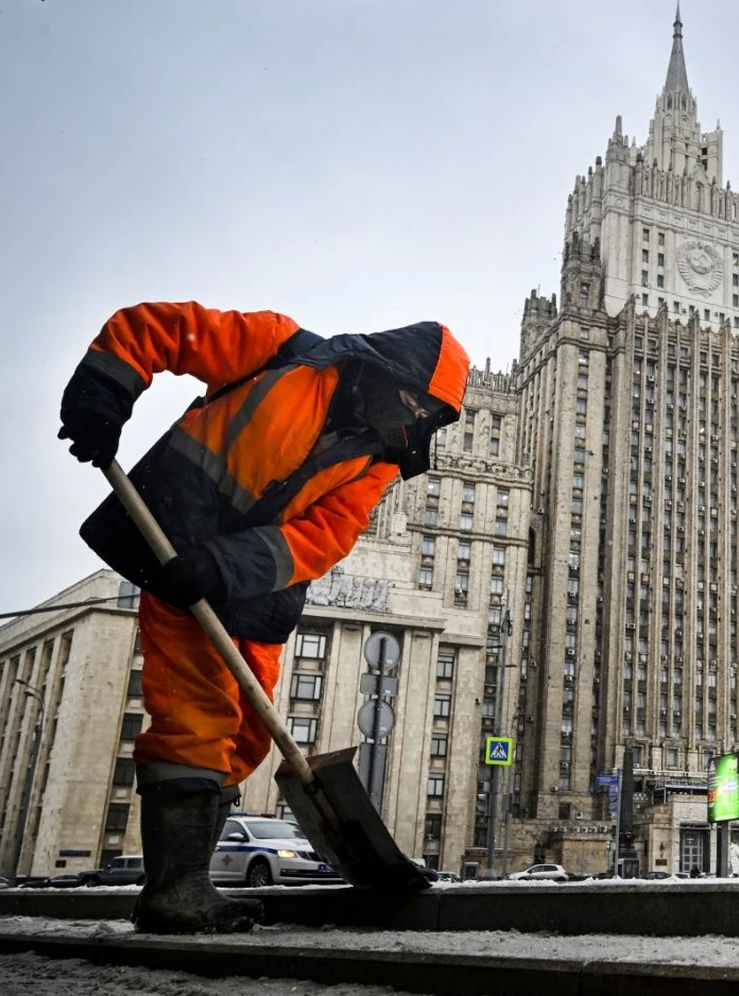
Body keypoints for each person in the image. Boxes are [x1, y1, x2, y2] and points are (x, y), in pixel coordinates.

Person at [58, 301, 469, 934]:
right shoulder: (283, 351)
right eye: (416, 401)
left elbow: (325, 536)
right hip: (172, 549)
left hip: (253, 593)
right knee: (197, 720)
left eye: (428, 415)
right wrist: (102, 392)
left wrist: (223, 565)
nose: (415, 418)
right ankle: (175, 892)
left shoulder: (381, 459)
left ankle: (185, 875)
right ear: (387, 369)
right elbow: (158, 330)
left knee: (248, 736)